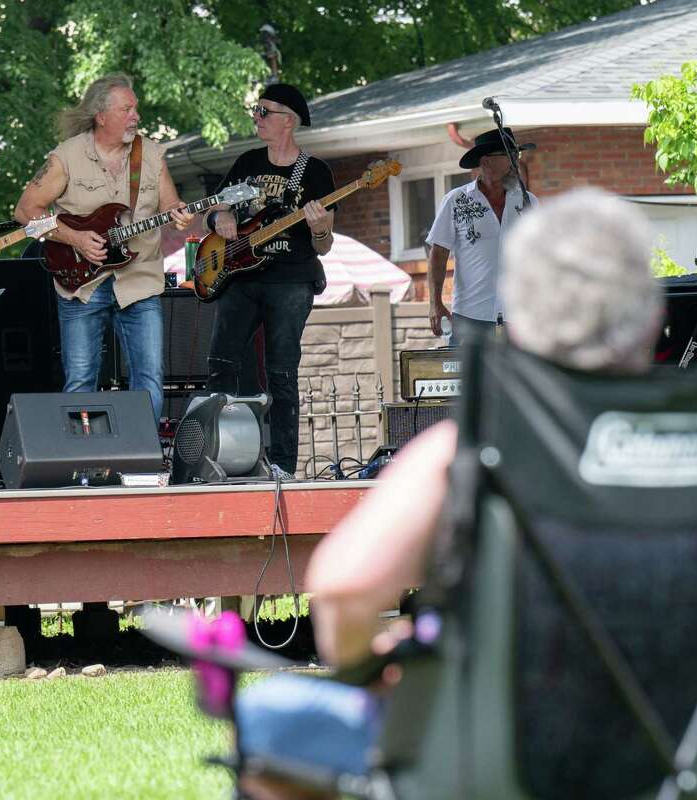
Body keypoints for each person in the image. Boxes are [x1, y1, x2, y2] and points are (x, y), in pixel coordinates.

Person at [234, 189, 665, 800]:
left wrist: (374, 668)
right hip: (669, 761)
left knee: (276, 717)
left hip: (497, 761)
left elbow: (345, 592)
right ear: (653, 318)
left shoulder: (470, 449)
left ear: (524, 315)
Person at [13, 73, 193, 422]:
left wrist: (179, 215)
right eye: (127, 109)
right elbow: (25, 212)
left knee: (150, 378)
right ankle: (84, 464)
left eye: (135, 108)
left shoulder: (151, 154)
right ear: (101, 116)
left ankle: (144, 461)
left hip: (140, 280)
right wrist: (75, 238)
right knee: (81, 379)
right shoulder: (66, 156)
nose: (135, 115)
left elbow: (170, 206)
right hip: (82, 283)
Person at [202, 83, 336, 478]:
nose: (256, 118)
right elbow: (215, 207)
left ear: (288, 120)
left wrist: (319, 227)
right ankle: (214, 454)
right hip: (239, 276)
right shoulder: (246, 162)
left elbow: (324, 246)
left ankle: (281, 465)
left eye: (265, 111)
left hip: (291, 279)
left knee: (281, 372)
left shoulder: (315, 172)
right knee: (220, 363)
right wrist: (220, 217)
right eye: (256, 111)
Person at [427, 127, 539, 345]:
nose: (516, 162)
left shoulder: (529, 202)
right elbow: (438, 253)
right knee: (466, 378)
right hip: (470, 316)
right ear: (486, 162)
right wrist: (435, 302)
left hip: (518, 315)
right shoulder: (456, 201)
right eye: (509, 155)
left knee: (515, 379)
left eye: (517, 155)